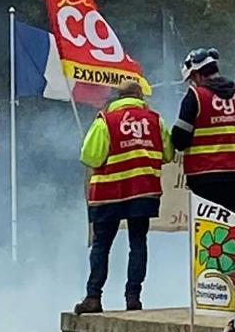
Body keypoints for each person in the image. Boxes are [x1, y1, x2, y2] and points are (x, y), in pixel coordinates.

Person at [74, 81, 175, 315]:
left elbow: (91, 158)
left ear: (117, 97)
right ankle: (133, 297)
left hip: (109, 192)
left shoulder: (105, 121)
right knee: (138, 243)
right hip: (143, 191)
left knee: (102, 245)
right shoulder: (155, 120)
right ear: (140, 96)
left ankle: (93, 296)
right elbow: (168, 154)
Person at [172, 47, 235, 217]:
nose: (192, 83)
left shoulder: (195, 96)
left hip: (204, 177)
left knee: (209, 235)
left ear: (197, 74)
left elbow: (180, 139)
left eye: (191, 79)